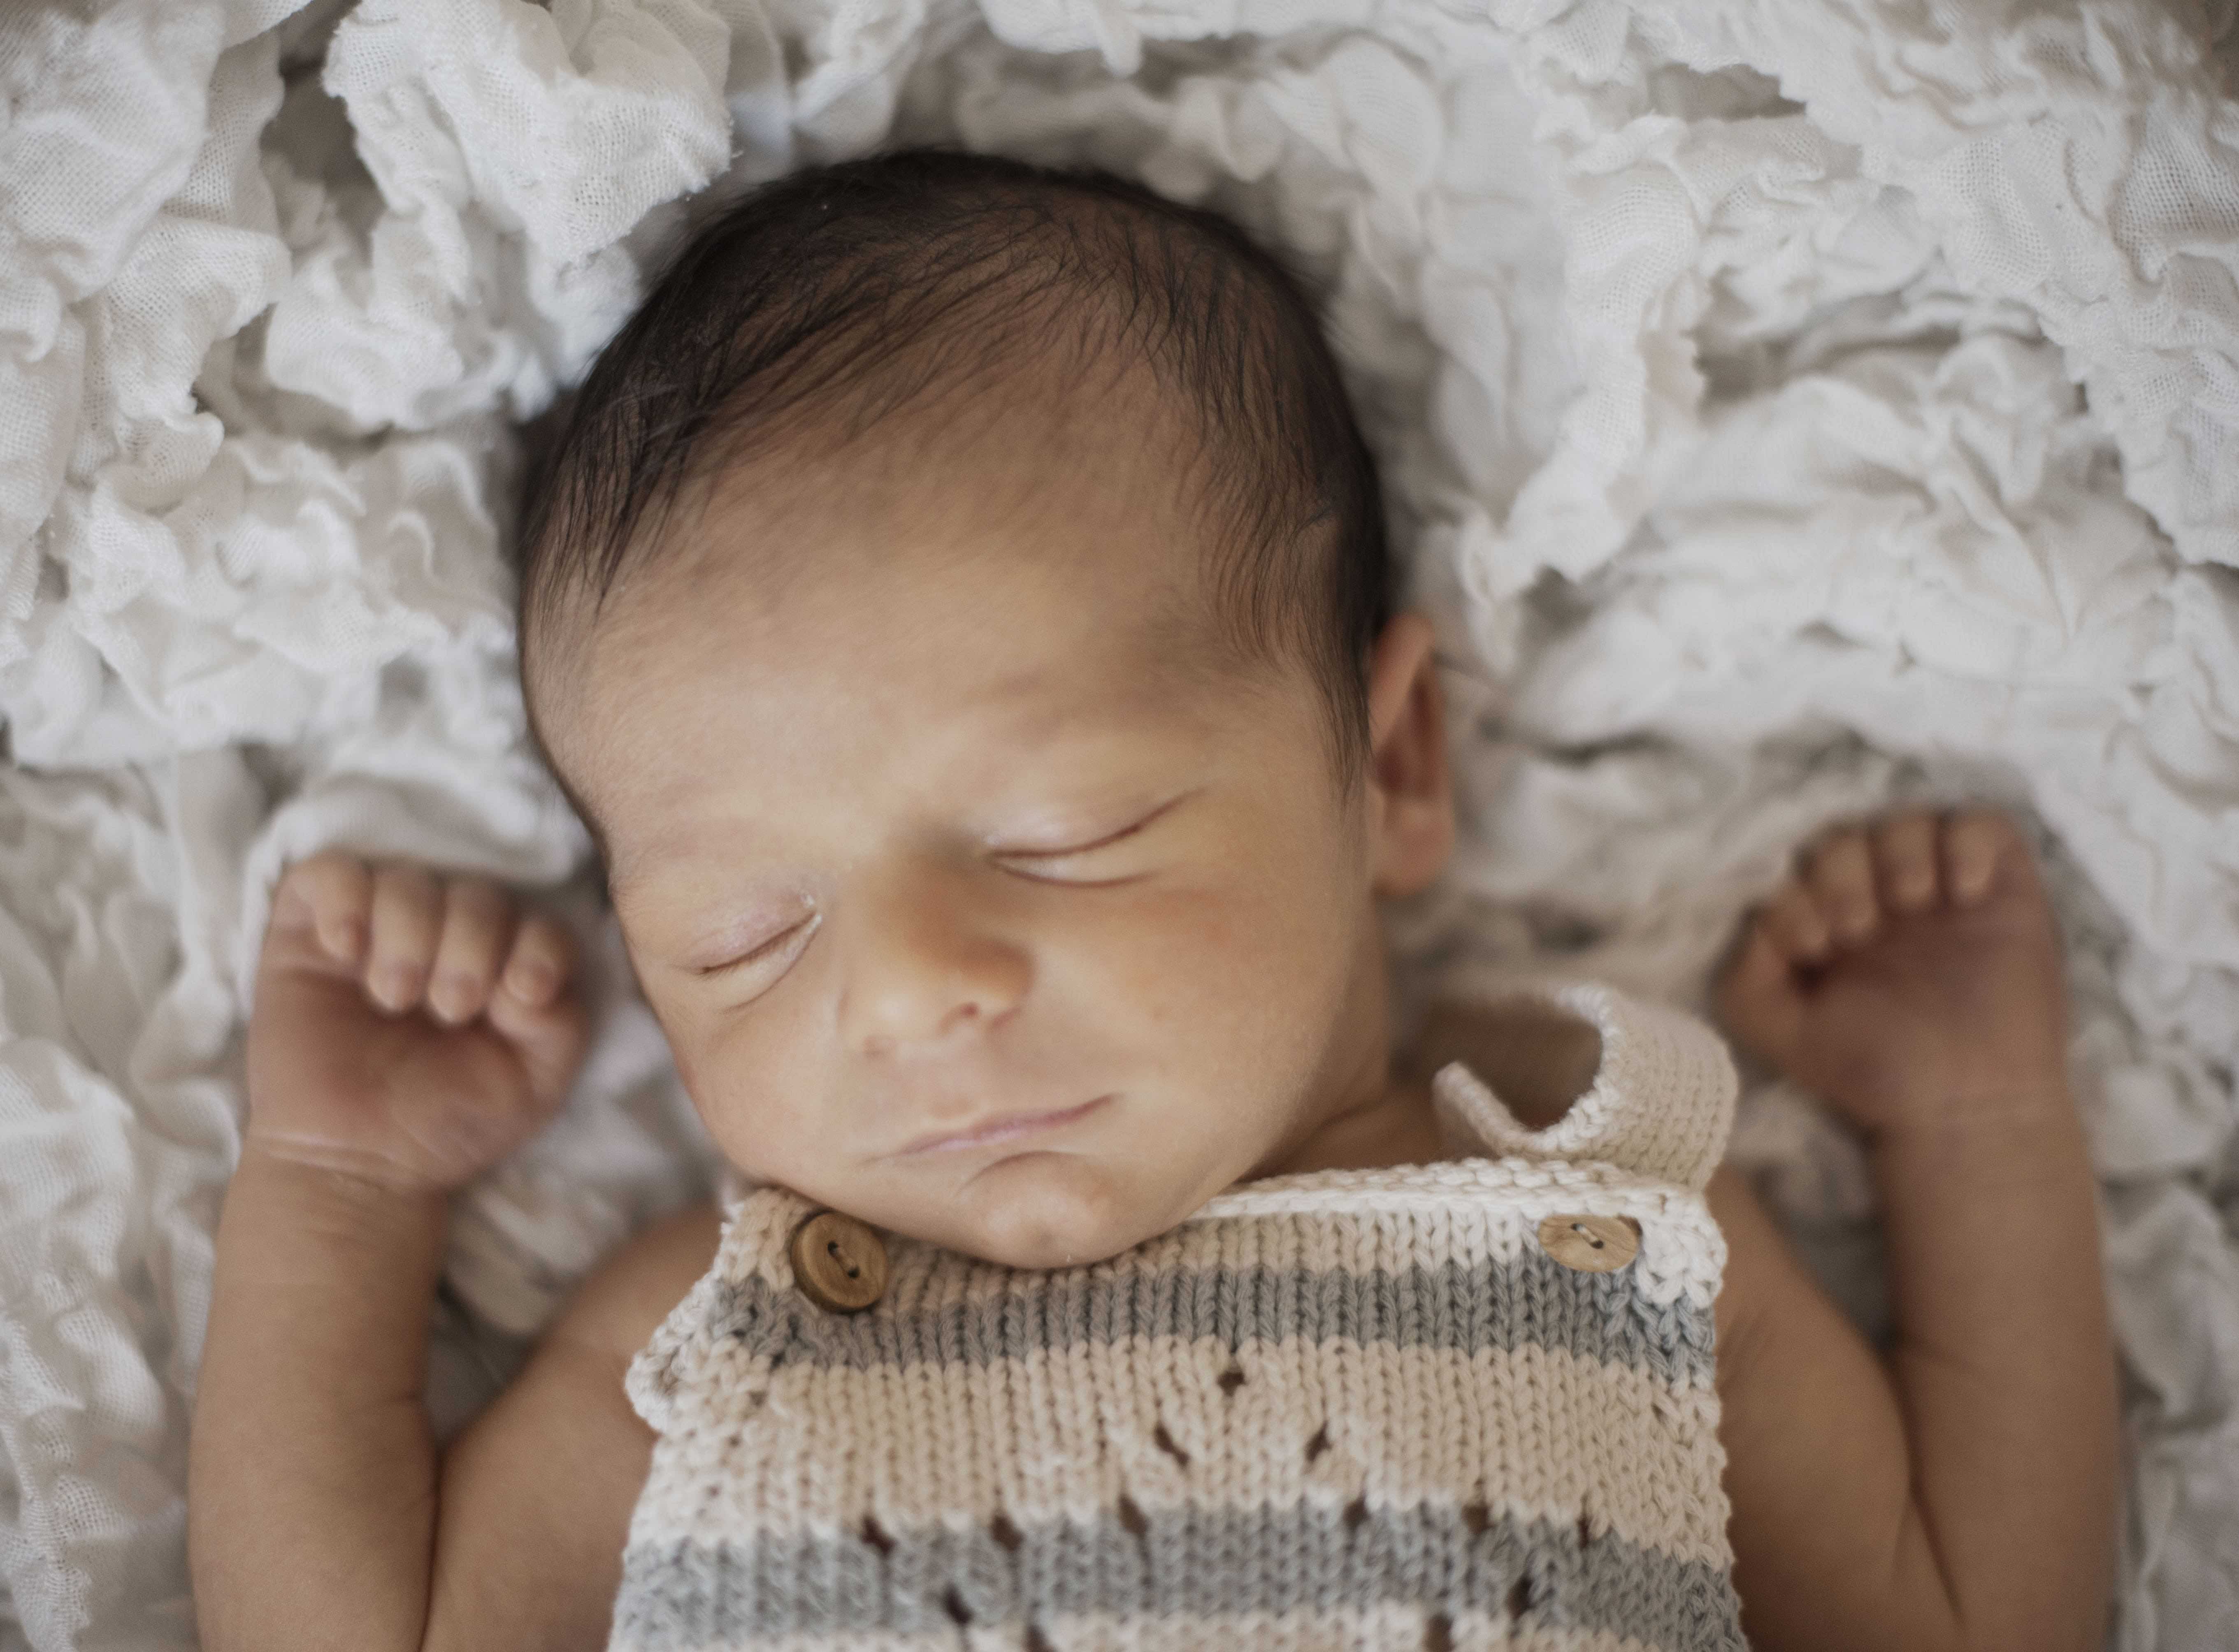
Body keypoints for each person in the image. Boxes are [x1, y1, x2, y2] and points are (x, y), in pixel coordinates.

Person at [188, 150, 2116, 1652]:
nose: (914, 991)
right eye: (744, 930)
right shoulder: (714, 1336)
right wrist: (339, 1188)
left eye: (1060, 833)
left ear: (1389, 769)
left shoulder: (1608, 1233)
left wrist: (1972, 1123)